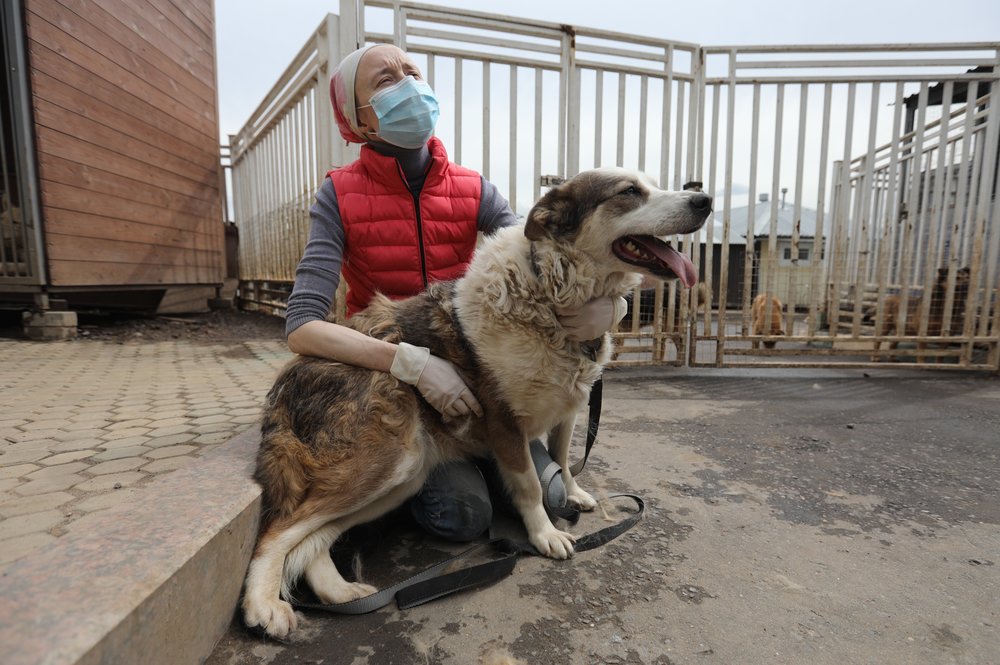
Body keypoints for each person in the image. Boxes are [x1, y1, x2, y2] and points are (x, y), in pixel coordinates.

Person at [284, 43, 627, 543]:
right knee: (463, 514)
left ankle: (492, 462)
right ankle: (404, 480)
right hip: (400, 388)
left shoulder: (472, 188)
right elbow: (302, 328)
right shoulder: (338, 194)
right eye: (385, 81)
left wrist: (611, 306)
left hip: (488, 380)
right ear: (358, 122)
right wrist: (414, 365)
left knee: (553, 499)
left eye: (413, 72)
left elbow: (545, 260)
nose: (408, 86)